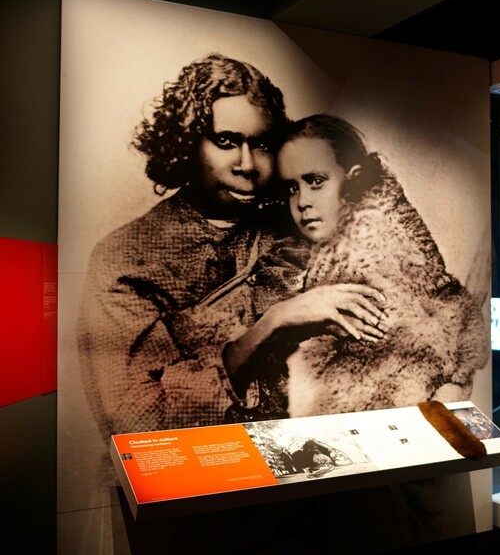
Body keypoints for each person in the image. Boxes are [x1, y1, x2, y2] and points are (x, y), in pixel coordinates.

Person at [77, 55, 385, 452]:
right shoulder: (127, 258)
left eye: (262, 144)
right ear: (188, 142)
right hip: (199, 490)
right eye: (226, 142)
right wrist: (274, 323)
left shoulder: (303, 220)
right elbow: (138, 426)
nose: (247, 164)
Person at [228, 113, 487, 420]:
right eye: (291, 188)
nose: (302, 202)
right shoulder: (277, 262)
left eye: (315, 181)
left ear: (353, 179)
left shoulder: (389, 262)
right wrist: (280, 316)